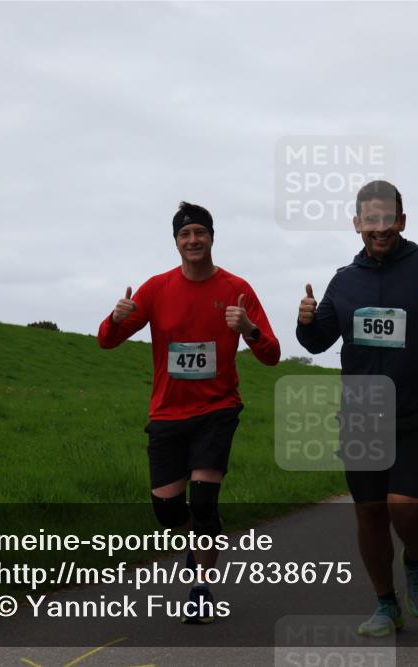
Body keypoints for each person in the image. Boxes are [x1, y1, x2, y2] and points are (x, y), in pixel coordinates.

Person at [296, 180, 418, 637]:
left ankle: (412, 558)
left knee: (405, 509)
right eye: (371, 220)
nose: (380, 228)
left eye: (388, 219)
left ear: (401, 221)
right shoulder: (345, 281)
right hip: (362, 413)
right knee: (369, 512)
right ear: (357, 225)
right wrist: (306, 318)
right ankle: (386, 604)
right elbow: (316, 340)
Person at [98, 201, 281, 623]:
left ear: (212, 237)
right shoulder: (156, 289)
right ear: (176, 242)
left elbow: (271, 355)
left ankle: (200, 586)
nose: (193, 240)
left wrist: (248, 329)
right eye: (185, 234)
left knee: (202, 499)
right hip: (167, 412)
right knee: (167, 512)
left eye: (200, 232)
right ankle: (198, 538)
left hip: (218, 408)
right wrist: (115, 316)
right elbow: (106, 341)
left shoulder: (237, 289)